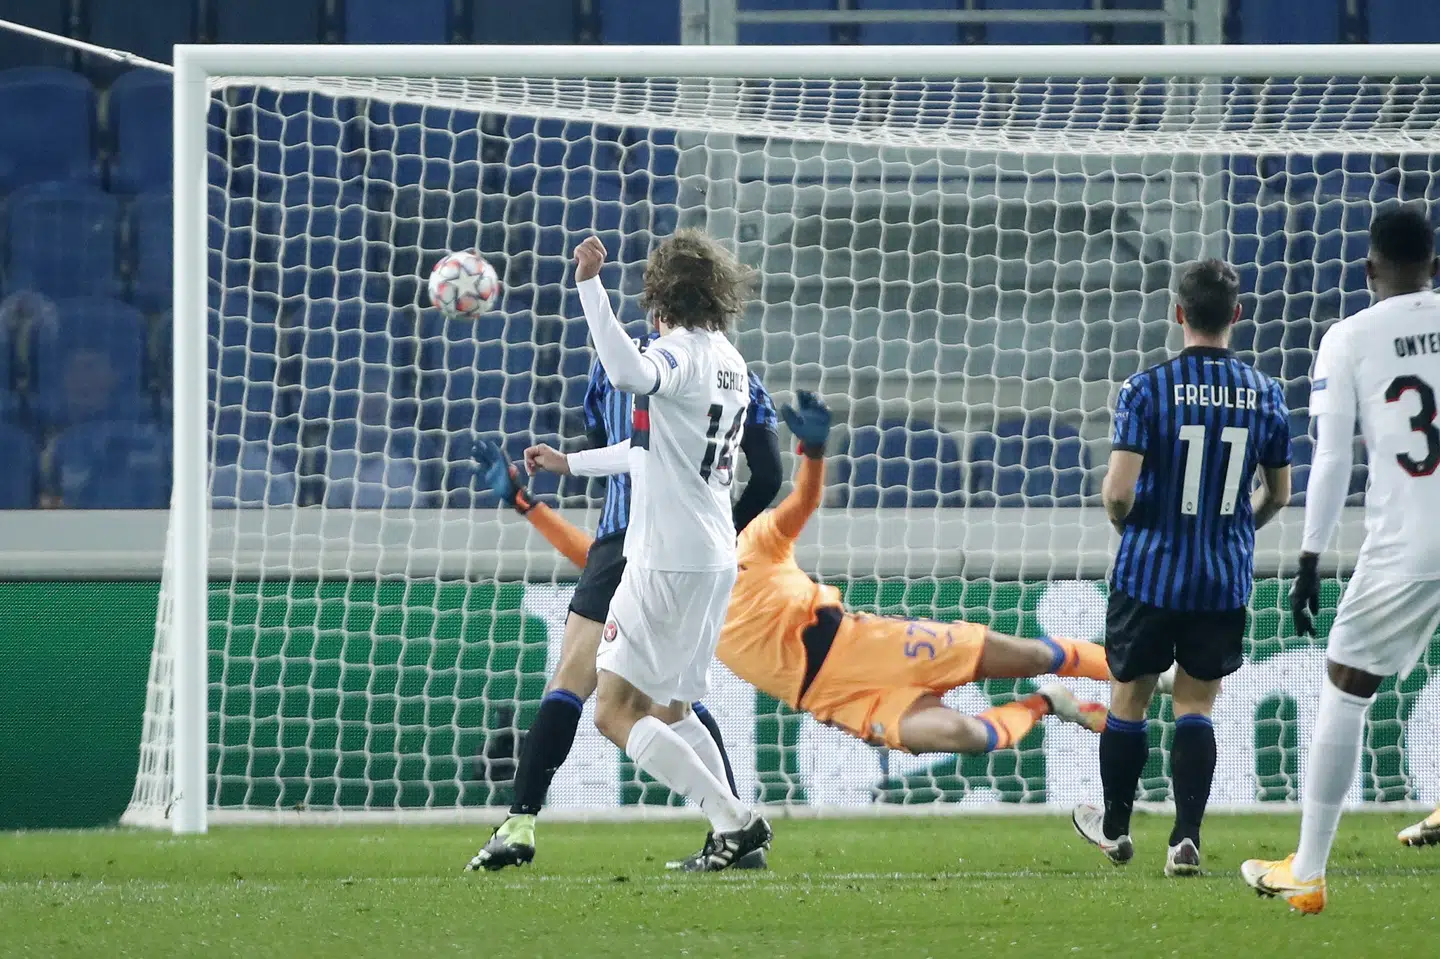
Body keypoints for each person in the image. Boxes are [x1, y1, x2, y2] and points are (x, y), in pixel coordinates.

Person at [485, 392, 1112, 859]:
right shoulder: (661, 557)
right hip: (833, 698)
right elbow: (596, 560)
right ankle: (1047, 705)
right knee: (968, 737)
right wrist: (528, 507)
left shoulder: (756, 535)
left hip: (865, 645)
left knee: (1031, 652)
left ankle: (1133, 673)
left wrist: (811, 453)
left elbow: (805, 501)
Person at [465, 242, 782, 873]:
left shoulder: (674, 354)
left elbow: (627, 374)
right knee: (675, 707)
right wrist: (569, 463)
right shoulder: (731, 361)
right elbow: (647, 453)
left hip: (660, 553)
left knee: (611, 709)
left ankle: (733, 821)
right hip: (713, 552)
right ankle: (735, 827)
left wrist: (589, 285)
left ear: (660, 297)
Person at [1243, 205, 1440, 914]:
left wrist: (1309, 557)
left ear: (1367, 269)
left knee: (1346, 684)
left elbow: (1331, 458)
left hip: (1412, 539)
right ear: (1434, 267)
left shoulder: (1349, 336)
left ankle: (1308, 870)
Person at [1073, 259, 1292, 877]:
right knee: (1196, 705)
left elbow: (1118, 493)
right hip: (1222, 578)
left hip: (1150, 571)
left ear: (1178, 314)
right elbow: (1279, 493)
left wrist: (1132, 529)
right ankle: (1186, 838)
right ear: (1236, 315)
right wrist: (1236, 530)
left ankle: (1116, 829)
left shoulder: (1145, 389)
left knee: (1130, 699)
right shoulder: (1265, 392)